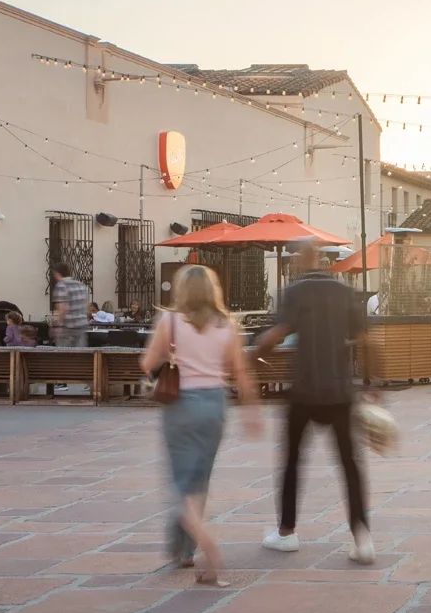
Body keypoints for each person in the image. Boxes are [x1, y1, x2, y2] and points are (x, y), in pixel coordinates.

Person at [253, 239, 376, 564]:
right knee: (349, 464)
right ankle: (362, 537)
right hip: (339, 391)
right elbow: (367, 342)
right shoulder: (345, 293)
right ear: (321, 260)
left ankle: (287, 533)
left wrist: (250, 357)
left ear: (298, 261)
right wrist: (373, 385)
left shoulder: (294, 293)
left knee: (292, 461)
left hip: (305, 390)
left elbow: (277, 333)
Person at [140, 264, 260, 585]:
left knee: (182, 483)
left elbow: (147, 363)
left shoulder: (170, 321)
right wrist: (252, 412)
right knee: (199, 480)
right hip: (215, 405)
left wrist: (172, 357)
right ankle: (186, 550)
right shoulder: (227, 325)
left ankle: (209, 548)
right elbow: (242, 371)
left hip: (181, 405)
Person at [50, 264, 91, 348]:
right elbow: (86, 304)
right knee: (81, 354)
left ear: (57, 274)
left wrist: (59, 325)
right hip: (81, 325)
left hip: (68, 326)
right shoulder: (81, 285)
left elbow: (62, 307)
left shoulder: (62, 285)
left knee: (65, 355)